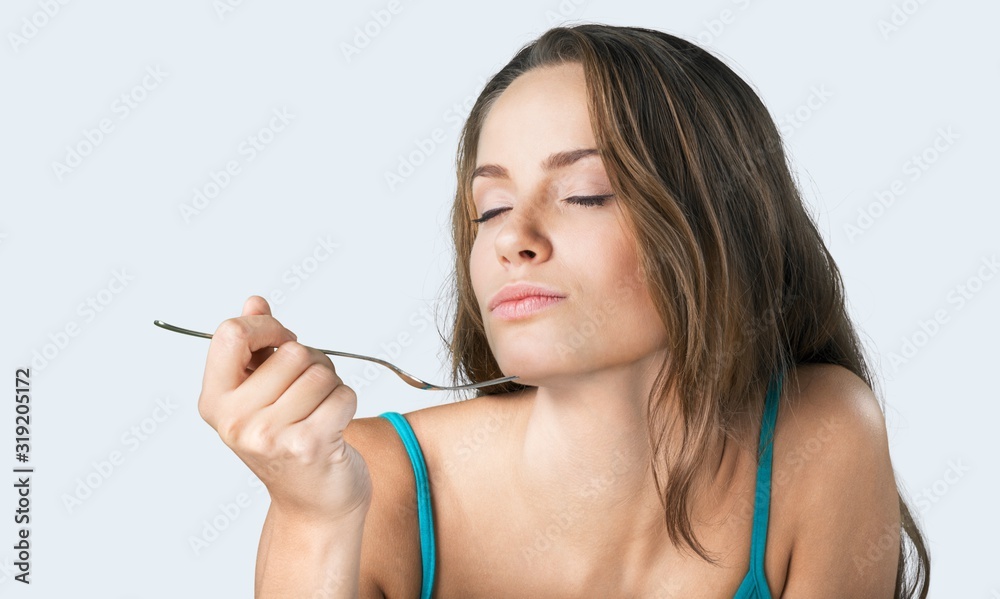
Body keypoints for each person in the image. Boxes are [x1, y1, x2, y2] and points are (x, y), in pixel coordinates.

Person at [196, 24, 930, 598]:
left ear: (719, 225)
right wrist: (316, 520)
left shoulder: (821, 437)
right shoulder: (368, 481)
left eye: (584, 194)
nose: (512, 237)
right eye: (490, 208)